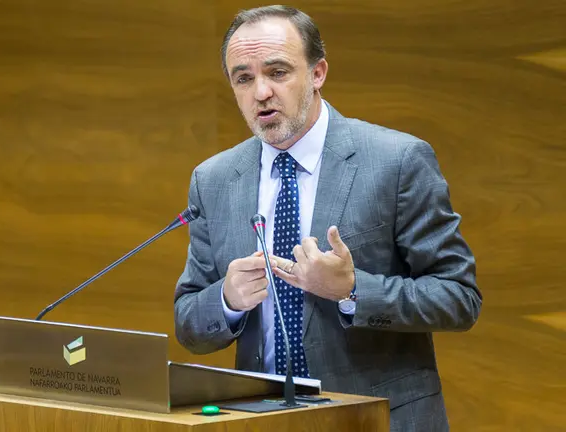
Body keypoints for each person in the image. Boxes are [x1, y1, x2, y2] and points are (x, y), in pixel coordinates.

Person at [173, 5, 482, 431]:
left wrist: (352, 290)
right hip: (259, 421)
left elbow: (459, 298)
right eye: (243, 78)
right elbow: (189, 321)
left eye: (277, 72)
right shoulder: (214, 179)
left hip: (375, 420)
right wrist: (227, 299)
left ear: (318, 73)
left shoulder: (397, 162)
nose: (260, 92)